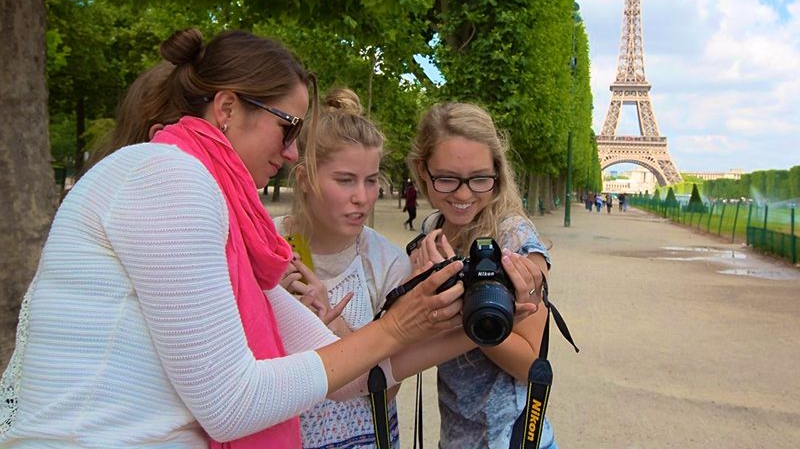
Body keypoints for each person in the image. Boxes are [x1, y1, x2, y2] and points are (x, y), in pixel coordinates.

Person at [0, 29, 545, 448]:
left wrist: (477, 318)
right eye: (287, 128)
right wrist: (399, 325)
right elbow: (232, 403)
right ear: (228, 107)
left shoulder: (230, 216)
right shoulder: (169, 176)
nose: (290, 152)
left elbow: (343, 373)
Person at [406, 102, 558, 449]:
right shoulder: (432, 230)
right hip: (455, 438)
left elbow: (529, 365)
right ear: (422, 170)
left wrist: (464, 309)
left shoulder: (516, 239)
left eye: (479, 179)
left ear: (498, 173)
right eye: (446, 179)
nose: (462, 194)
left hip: (511, 440)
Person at [274, 89, 411, 448]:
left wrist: (335, 327)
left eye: (371, 180)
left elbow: (388, 390)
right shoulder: (265, 243)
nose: (363, 198)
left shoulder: (386, 262)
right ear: (304, 178)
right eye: (345, 180)